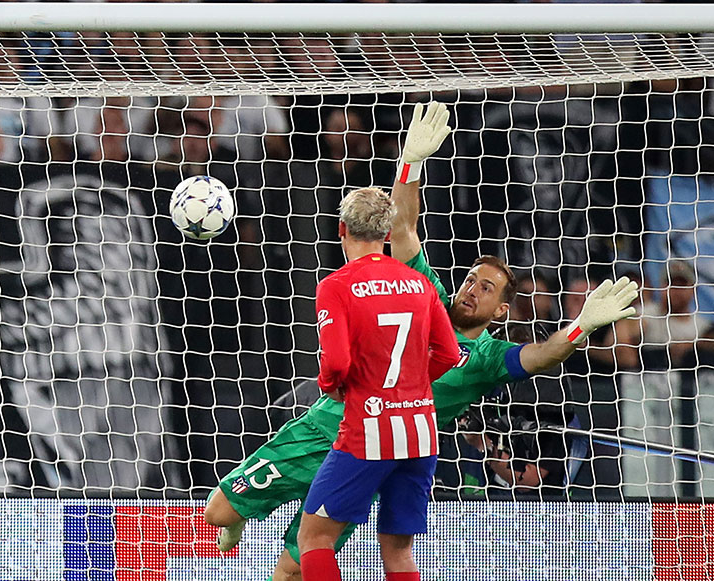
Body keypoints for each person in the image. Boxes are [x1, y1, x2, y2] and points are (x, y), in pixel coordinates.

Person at [203, 102, 639, 580]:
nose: (472, 288)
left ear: (500, 312)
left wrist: (581, 327)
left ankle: (239, 524)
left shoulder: (490, 357)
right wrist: (409, 164)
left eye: (486, 288)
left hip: (365, 442)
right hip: (340, 433)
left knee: (298, 558)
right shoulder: (422, 290)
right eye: (471, 279)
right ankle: (234, 524)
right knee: (250, 530)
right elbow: (405, 226)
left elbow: (543, 353)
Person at [295, 186, 461, 581]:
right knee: (399, 553)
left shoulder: (335, 286)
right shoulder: (418, 284)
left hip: (369, 431)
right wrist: (413, 382)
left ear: (341, 230)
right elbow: (451, 354)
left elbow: (336, 361)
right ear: (387, 235)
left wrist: (330, 383)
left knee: (315, 538)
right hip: (421, 432)